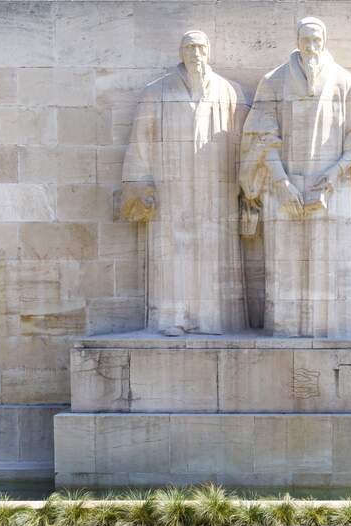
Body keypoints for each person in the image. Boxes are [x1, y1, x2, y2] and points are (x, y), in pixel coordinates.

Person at [240, 17, 351, 337]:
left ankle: (334, 328)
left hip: (335, 187)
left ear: (325, 41)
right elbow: (260, 133)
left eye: (316, 40)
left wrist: (335, 173)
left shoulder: (347, 82)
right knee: (287, 262)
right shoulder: (274, 81)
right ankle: (288, 329)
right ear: (297, 41)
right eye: (305, 40)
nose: (311, 46)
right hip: (283, 188)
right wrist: (280, 181)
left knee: (332, 262)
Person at [121, 30, 248, 335]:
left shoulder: (230, 92)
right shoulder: (157, 92)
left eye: (201, 47)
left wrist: (247, 189)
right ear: (181, 53)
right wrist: (140, 185)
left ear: (209, 51)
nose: (195, 54)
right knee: (174, 251)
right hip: (171, 188)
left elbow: (245, 143)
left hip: (217, 188)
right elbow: (141, 141)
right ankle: (174, 318)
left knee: (213, 248)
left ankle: (211, 318)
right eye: (189, 47)